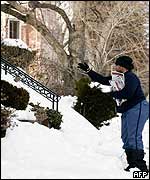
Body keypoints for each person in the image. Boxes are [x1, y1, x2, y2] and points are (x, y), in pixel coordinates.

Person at [77, 55, 149, 172]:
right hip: (128, 109)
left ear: (122, 66)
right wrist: (89, 71)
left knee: (133, 136)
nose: (115, 66)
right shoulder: (118, 77)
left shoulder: (131, 77)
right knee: (125, 136)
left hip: (138, 107)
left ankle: (140, 167)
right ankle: (132, 164)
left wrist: (108, 95)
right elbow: (103, 80)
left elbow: (127, 93)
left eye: (117, 64)